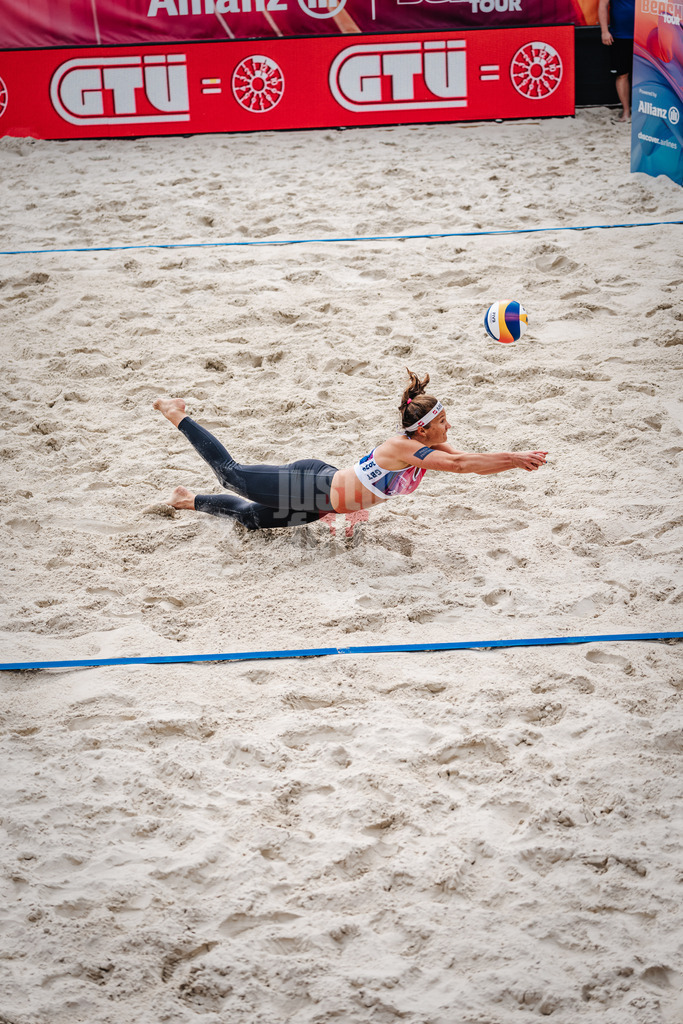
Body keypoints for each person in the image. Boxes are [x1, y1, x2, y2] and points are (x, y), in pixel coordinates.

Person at [152, 370, 548, 532]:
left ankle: (188, 500)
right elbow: (461, 466)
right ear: (423, 429)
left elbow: (468, 462)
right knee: (231, 475)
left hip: (324, 500)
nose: (449, 428)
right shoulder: (401, 446)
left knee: (254, 522)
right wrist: (514, 458)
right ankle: (177, 414)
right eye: (443, 423)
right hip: (311, 487)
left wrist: (511, 462)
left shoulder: (432, 444)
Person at [598, 0, 636, 122]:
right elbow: (602, 5)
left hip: (645, 35)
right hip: (620, 36)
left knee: (647, 76)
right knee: (622, 74)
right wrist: (604, 31)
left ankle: (645, 112)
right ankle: (626, 112)